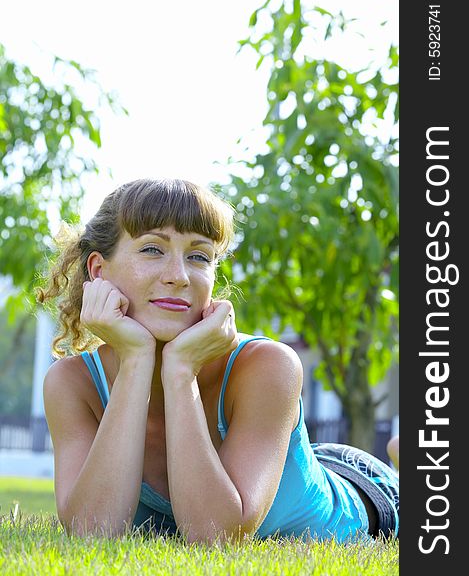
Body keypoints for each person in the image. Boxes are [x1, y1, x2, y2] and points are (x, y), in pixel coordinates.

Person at [38, 178, 399, 544]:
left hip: (367, 493)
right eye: (152, 250)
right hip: (295, 456)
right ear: (99, 270)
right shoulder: (73, 383)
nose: (178, 276)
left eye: (198, 256)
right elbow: (91, 531)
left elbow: (216, 536)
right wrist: (135, 361)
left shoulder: (268, 365)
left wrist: (180, 371)